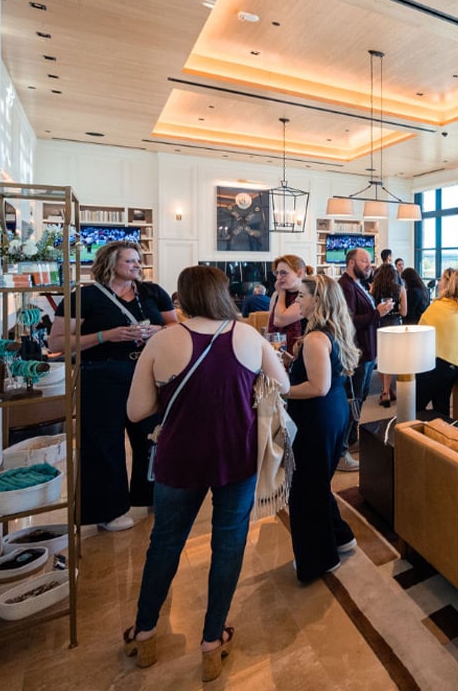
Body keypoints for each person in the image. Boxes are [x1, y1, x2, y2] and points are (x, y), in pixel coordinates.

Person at [121, 266, 288, 681]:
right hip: (237, 456)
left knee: (164, 543)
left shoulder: (162, 340)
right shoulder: (247, 336)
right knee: (229, 544)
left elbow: (136, 411)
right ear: (222, 293)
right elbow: (281, 384)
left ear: (182, 296)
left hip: (178, 459)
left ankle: (144, 632)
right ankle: (212, 640)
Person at [48, 240, 177, 531]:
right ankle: (109, 510)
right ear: (109, 263)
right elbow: (56, 343)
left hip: (147, 371)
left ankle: (153, 495)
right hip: (100, 375)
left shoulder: (152, 292)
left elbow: (175, 327)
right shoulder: (85, 296)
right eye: (130, 261)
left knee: (153, 435)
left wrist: (155, 330)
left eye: (138, 260)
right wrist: (106, 336)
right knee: (103, 442)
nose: (137, 265)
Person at [286, 274, 363, 583]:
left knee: (305, 489)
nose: (297, 301)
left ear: (317, 300)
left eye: (301, 296)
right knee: (316, 483)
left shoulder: (317, 338)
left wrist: (281, 389)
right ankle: (340, 537)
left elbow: (317, 386)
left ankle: (320, 560)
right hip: (331, 413)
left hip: (318, 417)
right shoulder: (328, 332)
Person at [337, 248, 394, 471]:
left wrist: (378, 313)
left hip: (367, 351)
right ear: (351, 263)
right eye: (364, 261)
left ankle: (351, 441)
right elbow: (348, 321)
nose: (369, 265)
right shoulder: (345, 286)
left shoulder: (358, 284)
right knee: (353, 401)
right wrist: (376, 314)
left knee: (358, 399)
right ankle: (342, 451)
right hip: (358, 353)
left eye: (369, 261)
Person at [416, 267, 458, 418]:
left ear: (447, 283)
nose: (439, 282)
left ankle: (410, 438)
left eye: (441, 279)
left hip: (437, 364)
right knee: (442, 407)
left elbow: (420, 332)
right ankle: (441, 436)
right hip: (456, 366)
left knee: (412, 406)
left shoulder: (438, 306)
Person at [371, 263, 407, 407]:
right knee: (390, 360)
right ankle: (386, 390)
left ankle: (385, 390)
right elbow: (404, 312)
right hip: (394, 325)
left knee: (381, 359)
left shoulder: (374, 289)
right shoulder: (400, 289)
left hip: (377, 325)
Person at [267, 255, 309, 353]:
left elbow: (280, 320)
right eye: (276, 273)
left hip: (300, 352)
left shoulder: (307, 295)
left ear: (300, 273)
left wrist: (281, 294)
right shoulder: (276, 294)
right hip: (277, 351)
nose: (278, 277)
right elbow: (270, 325)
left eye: (283, 273)